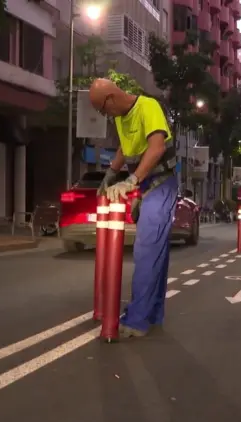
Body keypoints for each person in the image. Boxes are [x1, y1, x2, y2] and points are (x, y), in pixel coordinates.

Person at [88, 78, 179, 338]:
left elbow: (157, 147)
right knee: (156, 252)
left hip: (161, 183)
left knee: (146, 249)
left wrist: (131, 180)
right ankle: (153, 313)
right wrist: (111, 173)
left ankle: (137, 319)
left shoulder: (148, 107)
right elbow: (124, 148)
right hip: (143, 183)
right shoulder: (120, 117)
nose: (104, 116)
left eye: (103, 110)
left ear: (111, 99)